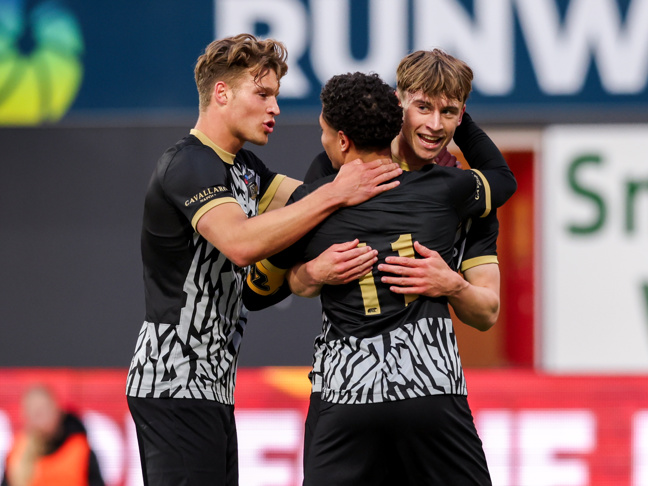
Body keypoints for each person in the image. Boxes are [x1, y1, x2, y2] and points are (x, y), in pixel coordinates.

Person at [124, 33, 402, 486]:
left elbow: (313, 200)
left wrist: (397, 161)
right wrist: (334, 193)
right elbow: (241, 243)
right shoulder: (186, 163)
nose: (275, 108)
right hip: (173, 382)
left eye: (276, 96)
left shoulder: (246, 169)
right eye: (263, 94)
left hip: (211, 387)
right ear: (221, 93)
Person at [245, 67, 516, 485]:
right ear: (398, 105)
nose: (435, 124)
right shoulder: (455, 189)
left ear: (341, 139)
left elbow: (258, 291)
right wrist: (312, 273)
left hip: (345, 392)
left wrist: (453, 285)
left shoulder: (316, 196)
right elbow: (503, 180)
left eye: (449, 112)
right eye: (423, 107)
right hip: (429, 387)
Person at [1, 385, 105, 486]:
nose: (40, 418)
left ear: (57, 410)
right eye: (34, 412)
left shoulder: (80, 449)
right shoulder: (17, 452)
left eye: (43, 410)